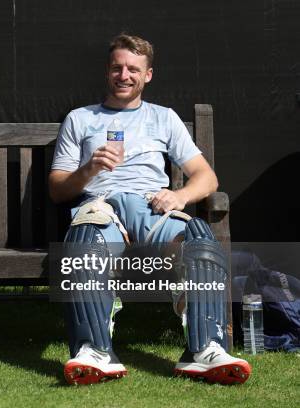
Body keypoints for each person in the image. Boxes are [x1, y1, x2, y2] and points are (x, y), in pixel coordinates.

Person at [49, 34, 251, 385]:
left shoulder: (163, 118)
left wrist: (180, 196)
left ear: (148, 75)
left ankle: (205, 350)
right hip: (101, 208)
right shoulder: (80, 119)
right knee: (83, 240)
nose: (123, 75)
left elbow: (206, 177)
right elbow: (56, 190)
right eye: (117, 68)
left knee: (198, 238)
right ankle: (94, 351)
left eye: (133, 69)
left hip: (151, 208)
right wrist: (89, 169)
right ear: (107, 71)